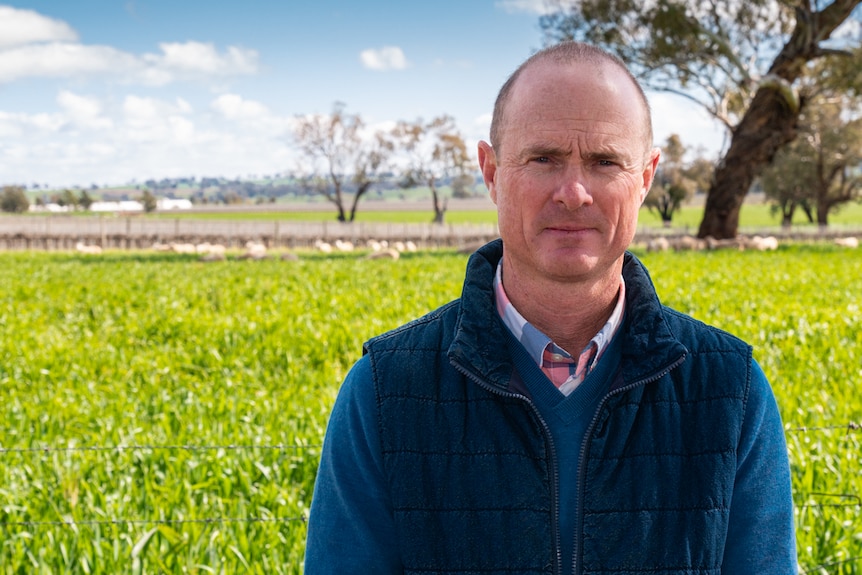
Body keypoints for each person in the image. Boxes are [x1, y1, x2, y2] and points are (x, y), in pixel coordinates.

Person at [304, 41, 797, 575]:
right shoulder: (384, 392)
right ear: (491, 171)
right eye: (544, 159)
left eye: (605, 161)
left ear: (647, 177)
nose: (573, 192)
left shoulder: (729, 390)